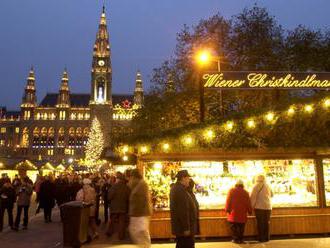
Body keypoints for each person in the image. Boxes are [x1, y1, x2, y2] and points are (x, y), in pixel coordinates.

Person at [170, 170, 197, 248]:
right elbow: (183, 210)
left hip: (181, 227)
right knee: (186, 245)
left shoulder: (178, 188)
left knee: (181, 245)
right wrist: (186, 228)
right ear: (183, 178)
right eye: (188, 178)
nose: (189, 180)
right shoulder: (180, 190)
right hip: (183, 228)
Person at [128, 169, 153, 248]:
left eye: (131, 177)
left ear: (135, 177)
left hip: (141, 214)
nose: (130, 179)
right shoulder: (138, 184)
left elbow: (141, 200)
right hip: (138, 214)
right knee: (137, 233)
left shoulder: (142, 185)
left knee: (141, 233)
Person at [225, 179, 252, 244]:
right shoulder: (246, 192)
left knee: (234, 227)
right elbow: (248, 203)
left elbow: (228, 201)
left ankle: (235, 239)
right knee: (241, 227)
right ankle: (241, 239)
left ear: (235, 184)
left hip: (233, 213)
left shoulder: (231, 191)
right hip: (242, 213)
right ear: (243, 185)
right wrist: (250, 211)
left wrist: (227, 209)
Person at [107, 171, 130, 240]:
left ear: (118, 179)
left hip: (114, 206)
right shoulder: (126, 187)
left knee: (112, 219)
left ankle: (110, 232)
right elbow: (128, 197)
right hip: (123, 206)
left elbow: (109, 197)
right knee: (121, 221)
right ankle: (121, 236)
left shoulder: (114, 186)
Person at [250, 174, 273, 242]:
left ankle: (261, 238)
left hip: (259, 207)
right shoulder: (268, 185)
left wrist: (251, 207)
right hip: (268, 207)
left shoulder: (256, 186)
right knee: (266, 223)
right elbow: (272, 195)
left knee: (260, 223)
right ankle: (267, 238)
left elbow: (252, 197)